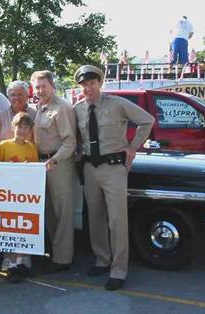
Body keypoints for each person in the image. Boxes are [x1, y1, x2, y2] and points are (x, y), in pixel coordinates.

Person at [73, 65, 154, 291]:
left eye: (91, 83)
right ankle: (102, 259)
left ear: (100, 83)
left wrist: (133, 147)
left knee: (117, 220)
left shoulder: (116, 104)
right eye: (84, 85)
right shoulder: (78, 109)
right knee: (95, 217)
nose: (88, 88)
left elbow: (147, 120)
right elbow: (78, 137)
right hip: (90, 168)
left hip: (113, 168)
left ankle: (119, 270)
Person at [31, 70, 78, 274]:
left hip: (58, 164)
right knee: (49, 211)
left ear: (52, 86)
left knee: (62, 213)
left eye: (44, 86)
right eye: (37, 87)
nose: (40, 90)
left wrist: (55, 159)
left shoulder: (62, 108)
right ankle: (55, 252)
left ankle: (63, 259)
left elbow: (70, 141)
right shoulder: (40, 107)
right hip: (42, 165)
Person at [0, 112, 38, 283]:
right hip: (7, 195)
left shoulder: (32, 148)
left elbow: (35, 171)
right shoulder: (4, 146)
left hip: (24, 195)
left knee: (22, 229)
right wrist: (8, 167)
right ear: (13, 127)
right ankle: (10, 265)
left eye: (26, 127)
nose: (23, 130)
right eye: (20, 126)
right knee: (9, 229)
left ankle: (20, 264)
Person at [0, 80, 36, 149]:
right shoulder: (1, 116)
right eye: (13, 95)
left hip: (29, 157)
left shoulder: (35, 115)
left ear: (27, 96)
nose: (16, 98)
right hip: (5, 158)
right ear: (8, 97)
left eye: (20, 94)